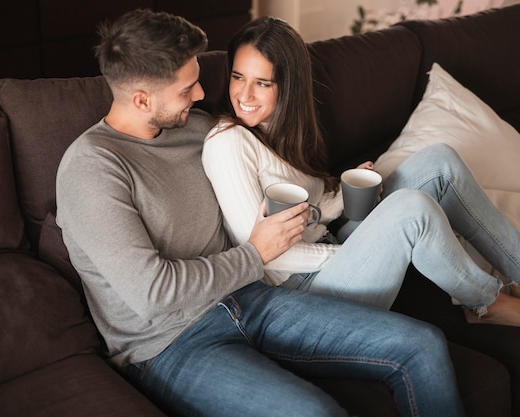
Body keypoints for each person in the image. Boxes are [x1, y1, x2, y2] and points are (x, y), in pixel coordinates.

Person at [56, 9, 466, 417]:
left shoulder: (194, 129)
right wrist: (254, 254)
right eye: (186, 89)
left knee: (423, 345)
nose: (200, 95)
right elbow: (154, 295)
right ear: (142, 99)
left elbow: (274, 158)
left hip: (254, 299)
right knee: (314, 413)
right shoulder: (92, 169)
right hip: (172, 343)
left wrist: (337, 195)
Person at [201, 16, 520, 327]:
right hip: (301, 290)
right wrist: (349, 251)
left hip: (329, 247)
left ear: (288, 86)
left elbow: (309, 215)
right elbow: (263, 254)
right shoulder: (228, 142)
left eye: (262, 82)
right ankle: (485, 302)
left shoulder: (281, 131)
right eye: (238, 77)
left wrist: (342, 195)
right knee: (413, 211)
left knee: (440, 162)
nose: (244, 95)